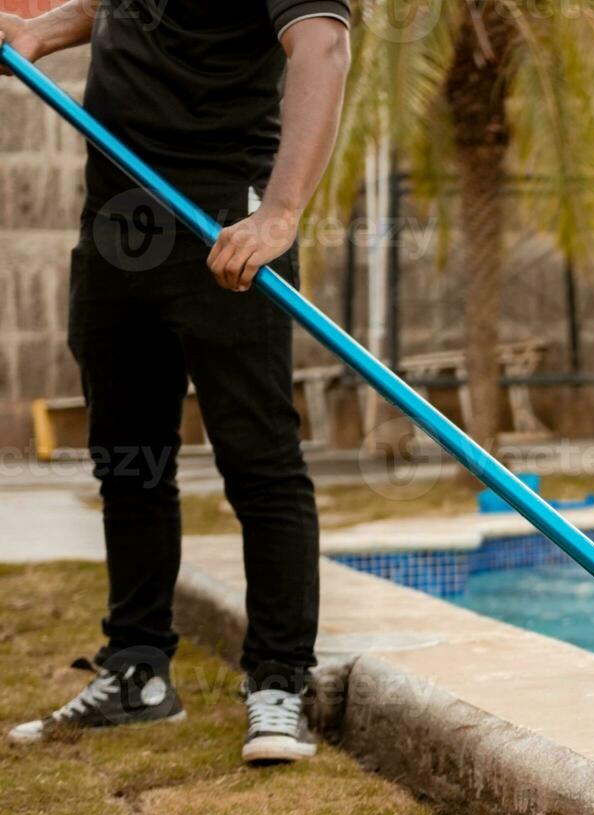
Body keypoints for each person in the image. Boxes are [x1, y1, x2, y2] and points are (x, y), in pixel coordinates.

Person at [1, 1, 351, 764]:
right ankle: (138, 671)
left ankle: (280, 682)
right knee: (129, 463)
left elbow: (320, 49)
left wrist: (281, 213)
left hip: (224, 226)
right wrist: (38, 34)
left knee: (259, 464)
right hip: (115, 227)